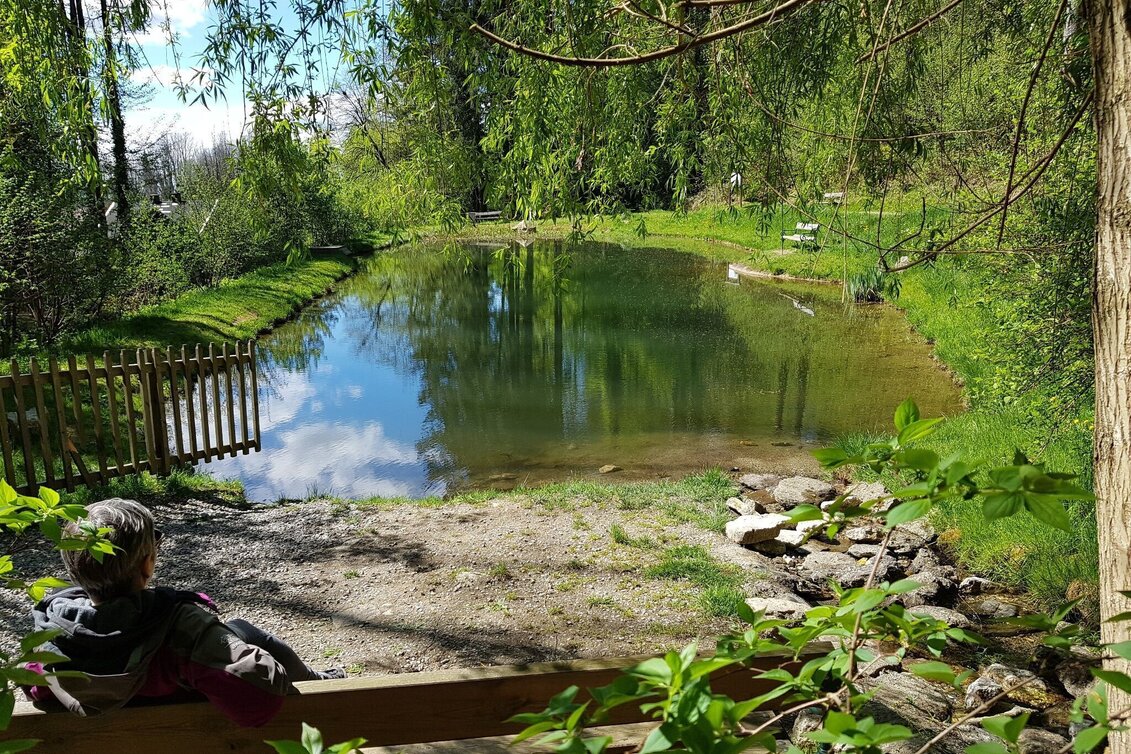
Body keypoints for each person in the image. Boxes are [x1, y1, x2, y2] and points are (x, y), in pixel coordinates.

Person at [26, 498, 343, 727]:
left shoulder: (52, 637)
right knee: (246, 632)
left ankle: (318, 677)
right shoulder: (180, 630)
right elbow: (258, 700)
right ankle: (319, 682)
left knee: (239, 629)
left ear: (74, 573)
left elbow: (34, 688)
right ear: (147, 564)